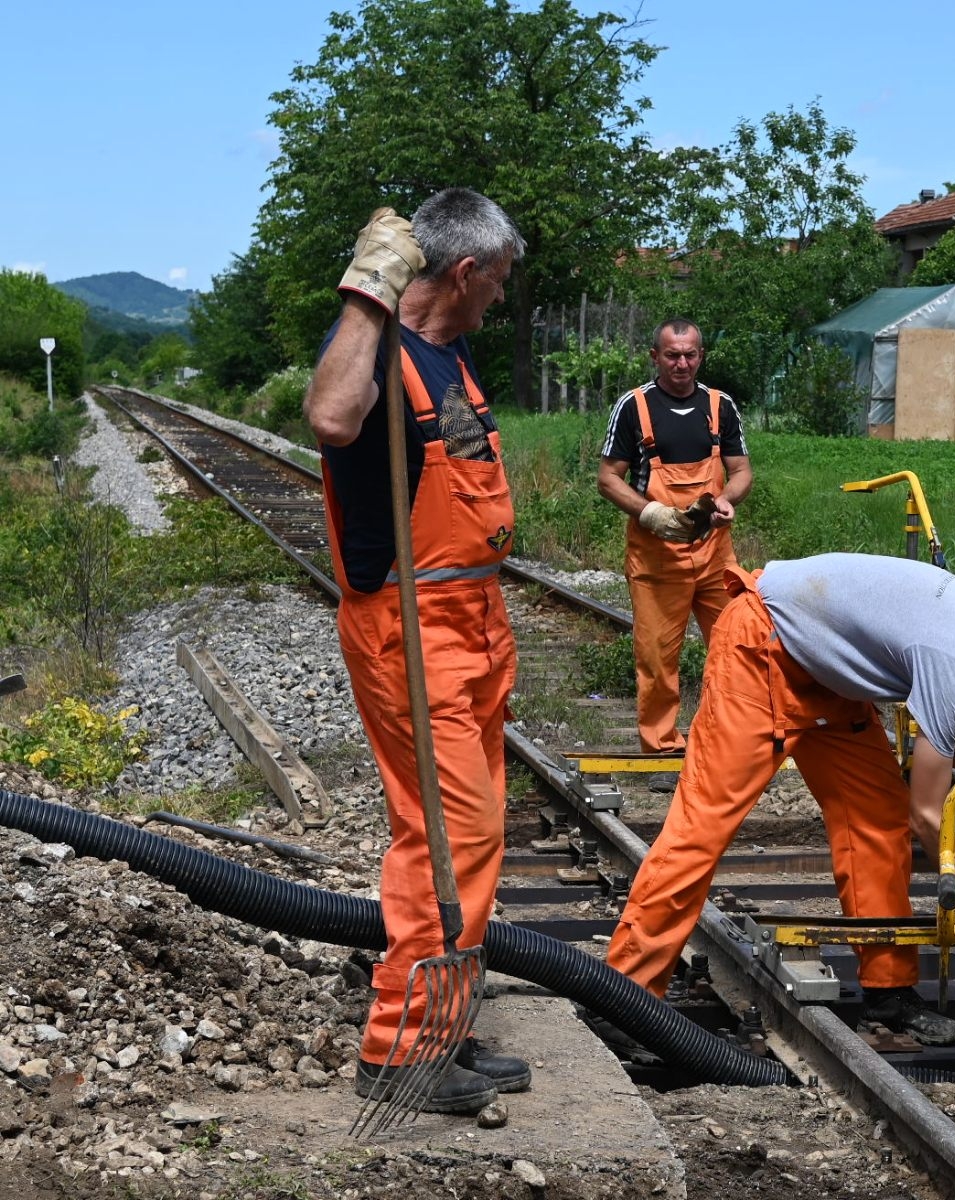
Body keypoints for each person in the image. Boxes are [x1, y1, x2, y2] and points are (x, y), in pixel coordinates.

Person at [606, 553, 955, 1045]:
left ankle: (889, 991)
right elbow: (929, 816)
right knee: (701, 828)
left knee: (878, 820)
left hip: (827, 675)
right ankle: (625, 996)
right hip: (762, 647)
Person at [305, 189, 533, 1116]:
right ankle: (398, 1052)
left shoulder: (451, 352)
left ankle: (441, 1024)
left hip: (472, 621)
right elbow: (328, 417)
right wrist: (368, 291)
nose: (502, 301)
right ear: (465, 271)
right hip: (411, 628)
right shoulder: (379, 348)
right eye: (500, 282)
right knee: (443, 835)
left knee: (478, 837)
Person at [597, 321, 751, 787]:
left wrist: (728, 499)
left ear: (701, 355)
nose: (681, 363)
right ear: (655, 356)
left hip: (715, 558)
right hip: (656, 560)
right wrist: (651, 515)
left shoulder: (719, 406)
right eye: (671, 355)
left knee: (738, 647)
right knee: (658, 660)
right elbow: (608, 478)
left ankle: (732, 743)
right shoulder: (633, 407)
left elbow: (741, 470)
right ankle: (663, 753)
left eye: (689, 355)